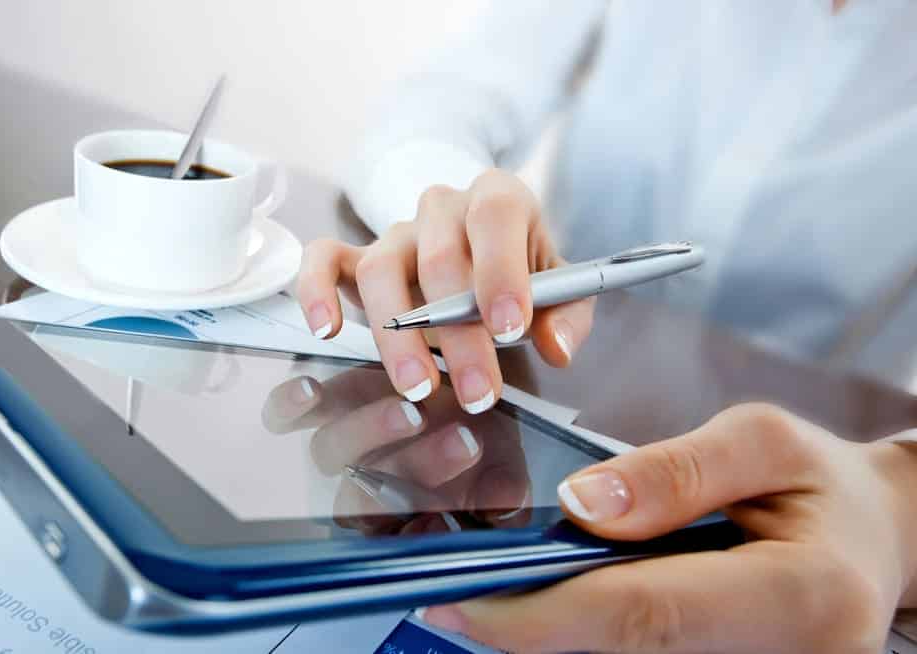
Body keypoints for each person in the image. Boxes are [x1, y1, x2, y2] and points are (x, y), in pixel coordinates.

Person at [295, 2, 917, 651]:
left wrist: (903, 510)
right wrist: (455, 219)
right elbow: (439, 104)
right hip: (538, 450)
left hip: (802, 517)